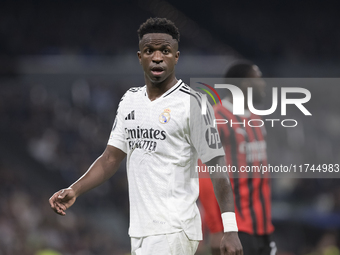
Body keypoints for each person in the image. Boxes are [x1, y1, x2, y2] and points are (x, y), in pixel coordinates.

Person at [49, 17, 243, 255]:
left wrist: (230, 230)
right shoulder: (130, 100)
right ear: (140, 57)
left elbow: (218, 168)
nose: (158, 57)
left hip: (174, 229)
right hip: (141, 230)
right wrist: (75, 189)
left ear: (176, 57)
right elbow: (110, 158)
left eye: (165, 51)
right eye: (150, 50)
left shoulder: (193, 103)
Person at [199, 61, 276, 255]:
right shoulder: (217, 117)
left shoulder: (257, 118)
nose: (264, 85)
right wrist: (217, 228)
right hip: (236, 229)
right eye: (259, 80)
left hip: (263, 228)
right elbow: (205, 174)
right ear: (245, 84)